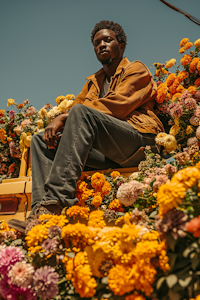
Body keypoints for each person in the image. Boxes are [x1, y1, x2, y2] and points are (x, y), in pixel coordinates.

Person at [8, 20, 164, 233]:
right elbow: (76, 111)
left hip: (140, 142)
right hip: (111, 152)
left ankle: (53, 203)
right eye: (97, 42)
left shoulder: (136, 69)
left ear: (121, 45)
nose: (102, 45)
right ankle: (40, 214)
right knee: (40, 140)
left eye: (108, 40)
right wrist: (60, 122)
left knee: (80, 114)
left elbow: (120, 105)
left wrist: (65, 115)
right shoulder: (93, 83)